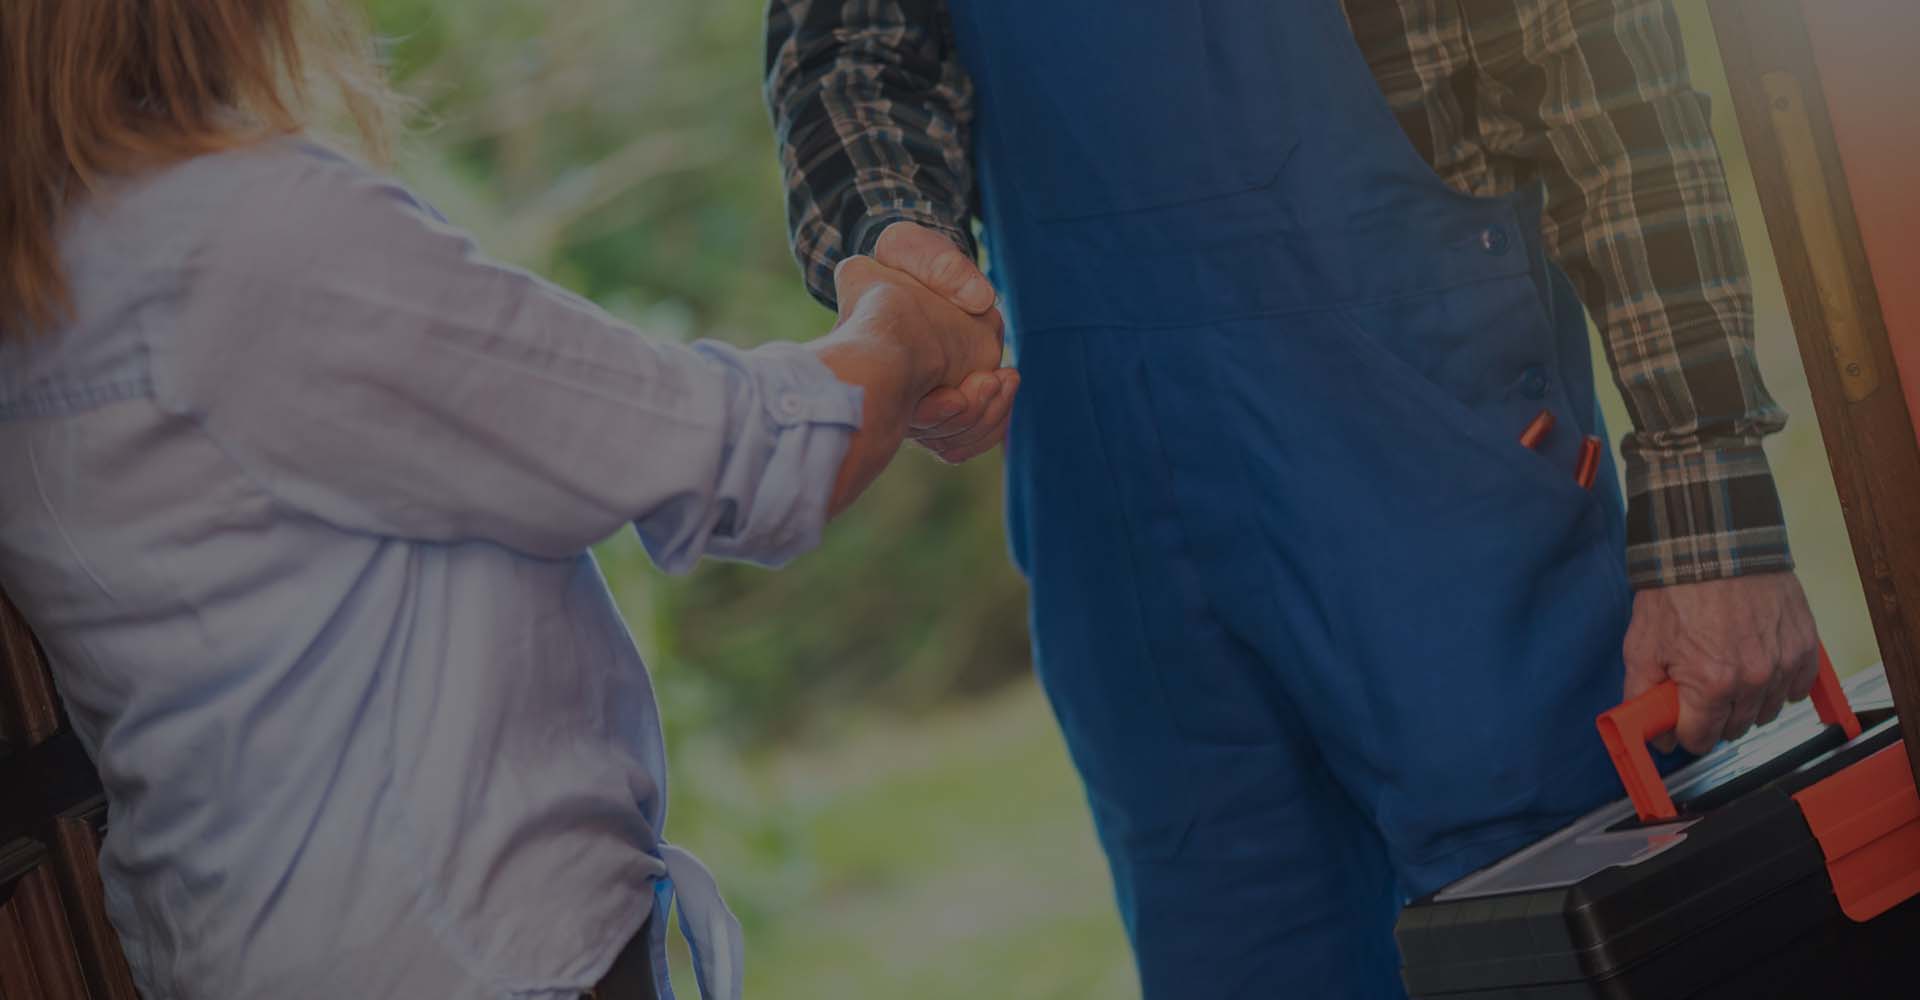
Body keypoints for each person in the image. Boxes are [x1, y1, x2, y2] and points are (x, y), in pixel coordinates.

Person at [766, 0, 1822, 994]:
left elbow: (1608, 85)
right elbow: (849, 48)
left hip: (1434, 452)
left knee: (1559, 942)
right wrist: (906, 269)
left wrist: (1709, 508)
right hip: (1116, 494)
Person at [0, 3, 1017, 999]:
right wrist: (906, 323)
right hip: (468, 956)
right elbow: (733, 454)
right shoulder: (250, 241)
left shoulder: (47, 274)